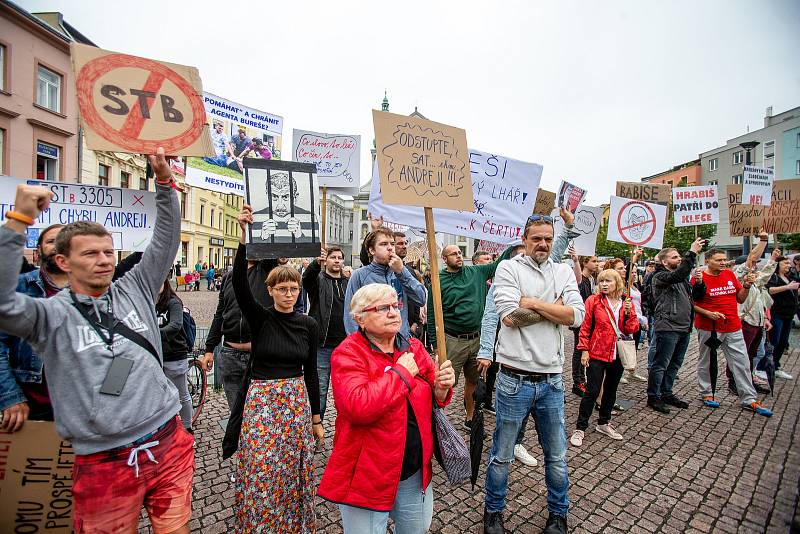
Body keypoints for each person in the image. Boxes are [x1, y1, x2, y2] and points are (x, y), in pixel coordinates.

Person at [0, 149, 194, 533]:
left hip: (167, 441)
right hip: (103, 458)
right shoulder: (49, 315)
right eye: (90, 253)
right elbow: (4, 305)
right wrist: (18, 221)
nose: (104, 260)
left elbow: (165, 241)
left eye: (108, 251)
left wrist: (164, 182)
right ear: (63, 262)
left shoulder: (135, 286)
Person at [317, 283, 455, 533]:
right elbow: (357, 406)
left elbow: (434, 394)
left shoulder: (412, 346)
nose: (394, 312)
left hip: (413, 471)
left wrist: (442, 388)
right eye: (383, 308)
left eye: (396, 305)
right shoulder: (347, 354)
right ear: (360, 318)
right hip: (367, 475)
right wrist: (401, 373)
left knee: (417, 529)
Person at [483, 214, 585, 534]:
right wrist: (552, 307)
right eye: (536, 238)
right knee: (502, 455)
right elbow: (510, 318)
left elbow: (577, 316)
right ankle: (493, 511)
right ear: (525, 239)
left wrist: (531, 303)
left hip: (552, 380)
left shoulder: (563, 271)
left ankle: (558, 515)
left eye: (548, 238)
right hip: (514, 379)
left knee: (556, 456)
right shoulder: (508, 268)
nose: (542, 244)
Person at [223, 203, 322, 532]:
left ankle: (292, 525)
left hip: (295, 406)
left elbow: (311, 371)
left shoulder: (308, 324)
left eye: (294, 289)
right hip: (263, 406)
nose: (289, 294)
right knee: (263, 470)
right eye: (282, 288)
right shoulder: (261, 318)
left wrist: (317, 417)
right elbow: (239, 283)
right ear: (270, 291)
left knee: (293, 470)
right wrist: (242, 239)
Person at [427, 242, 515, 430]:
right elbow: (432, 313)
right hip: (453, 340)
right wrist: (435, 344)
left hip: (476, 339)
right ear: (444, 259)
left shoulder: (475, 273)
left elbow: (498, 264)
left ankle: (470, 417)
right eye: (453, 254)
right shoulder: (438, 279)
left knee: (473, 381)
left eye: (459, 252)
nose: (458, 256)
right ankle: (437, 421)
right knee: (446, 382)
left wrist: (515, 244)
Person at [693, 249, 773, 416]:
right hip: (710, 327)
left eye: (724, 259)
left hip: (733, 326)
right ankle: (706, 392)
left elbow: (740, 298)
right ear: (707, 261)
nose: (723, 262)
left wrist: (746, 286)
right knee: (706, 360)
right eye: (718, 260)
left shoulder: (729, 275)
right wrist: (708, 313)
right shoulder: (699, 277)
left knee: (742, 362)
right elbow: (691, 303)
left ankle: (749, 399)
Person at [0, 224, 65, 430]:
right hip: (30, 407)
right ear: (38, 253)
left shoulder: (96, 293)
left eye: (65, 241)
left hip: (81, 410)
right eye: (51, 241)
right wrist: (10, 397)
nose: (58, 246)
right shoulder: (17, 287)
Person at [201, 256, 287, 409]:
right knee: (236, 412)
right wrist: (209, 349)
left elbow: (274, 256)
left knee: (260, 411)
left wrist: (279, 255)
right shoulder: (229, 276)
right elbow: (220, 314)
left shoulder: (268, 271)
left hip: (258, 354)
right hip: (230, 353)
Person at [570, 269, 639, 447]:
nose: (604, 284)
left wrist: (630, 313)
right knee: (592, 390)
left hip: (617, 353)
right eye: (601, 281)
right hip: (597, 351)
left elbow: (631, 329)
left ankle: (603, 422)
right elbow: (585, 327)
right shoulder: (594, 301)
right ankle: (580, 427)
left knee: (611, 389)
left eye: (608, 281)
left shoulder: (625, 302)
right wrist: (584, 349)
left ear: (617, 283)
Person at [646, 238, 705, 414]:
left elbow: (697, 297)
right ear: (664, 262)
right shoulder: (660, 276)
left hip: (684, 327)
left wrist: (700, 283)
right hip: (668, 326)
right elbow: (676, 275)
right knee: (661, 364)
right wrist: (692, 252)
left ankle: (666, 392)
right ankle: (653, 396)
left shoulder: (683, 279)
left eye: (679, 256)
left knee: (675, 364)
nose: (679, 259)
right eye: (674, 257)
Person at [344, 227, 426, 339]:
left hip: (401, 342)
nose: (390, 248)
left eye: (392, 244)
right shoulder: (359, 275)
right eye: (383, 244)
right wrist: (359, 346)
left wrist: (401, 273)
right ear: (372, 250)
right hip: (372, 345)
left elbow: (421, 299)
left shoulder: (401, 271)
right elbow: (351, 315)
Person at [303, 245, 349, 421]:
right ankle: (317, 427)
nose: (337, 260)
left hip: (345, 347)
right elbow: (306, 279)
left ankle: (345, 433)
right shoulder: (318, 281)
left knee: (345, 392)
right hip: (322, 346)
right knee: (320, 390)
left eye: (339, 258)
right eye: (333, 257)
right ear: (327, 260)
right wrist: (316, 263)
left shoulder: (347, 282)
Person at [728, 232, 775, 393]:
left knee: (752, 353)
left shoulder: (754, 280)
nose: (755, 266)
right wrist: (762, 241)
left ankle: (748, 379)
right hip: (745, 321)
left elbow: (765, 276)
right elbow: (749, 261)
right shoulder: (738, 278)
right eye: (754, 264)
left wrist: (773, 260)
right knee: (740, 353)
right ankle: (734, 380)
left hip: (757, 322)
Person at [156, 278, 193, 431]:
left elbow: (175, 325)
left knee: (182, 394)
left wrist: (154, 333)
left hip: (175, 355)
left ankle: (187, 428)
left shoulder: (173, 302)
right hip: (157, 355)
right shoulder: (150, 303)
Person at [604, 256, 647, 384]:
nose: (624, 271)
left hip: (631, 323)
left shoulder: (628, 285)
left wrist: (637, 317)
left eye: (624, 268)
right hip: (615, 328)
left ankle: (628, 370)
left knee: (628, 348)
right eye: (620, 268)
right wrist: (635, 257)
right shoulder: (611, 288)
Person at [569, 253, 600, 397]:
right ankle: (578, 381)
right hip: (581, 320)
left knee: (582, 350)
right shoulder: (581, 280)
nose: (596, 263)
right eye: (593, 261)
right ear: (585, 262)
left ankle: (581, 379)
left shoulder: (591, 279)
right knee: (579, 350)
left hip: (588, 320)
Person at [251, 171, 314, 242]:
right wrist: (263, 238)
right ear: (268, 196)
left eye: (285, 197)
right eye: (274, 196)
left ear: (295, 197)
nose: (280, 204)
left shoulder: (310, 218)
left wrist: (300, 236)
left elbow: (315, 251)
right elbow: (248, 251)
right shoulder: (255, 218)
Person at [766, 255, 798, 380]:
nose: (788, 265)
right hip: (777, 313)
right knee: (775, 340)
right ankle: (768, 366)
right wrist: (787, 287)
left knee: (784, 342)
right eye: (785, 263)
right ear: (778, 264)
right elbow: (769, 290)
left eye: (789, 263)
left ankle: (776, 365)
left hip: (789, 314)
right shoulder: (773, 277)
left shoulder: (790, 277)